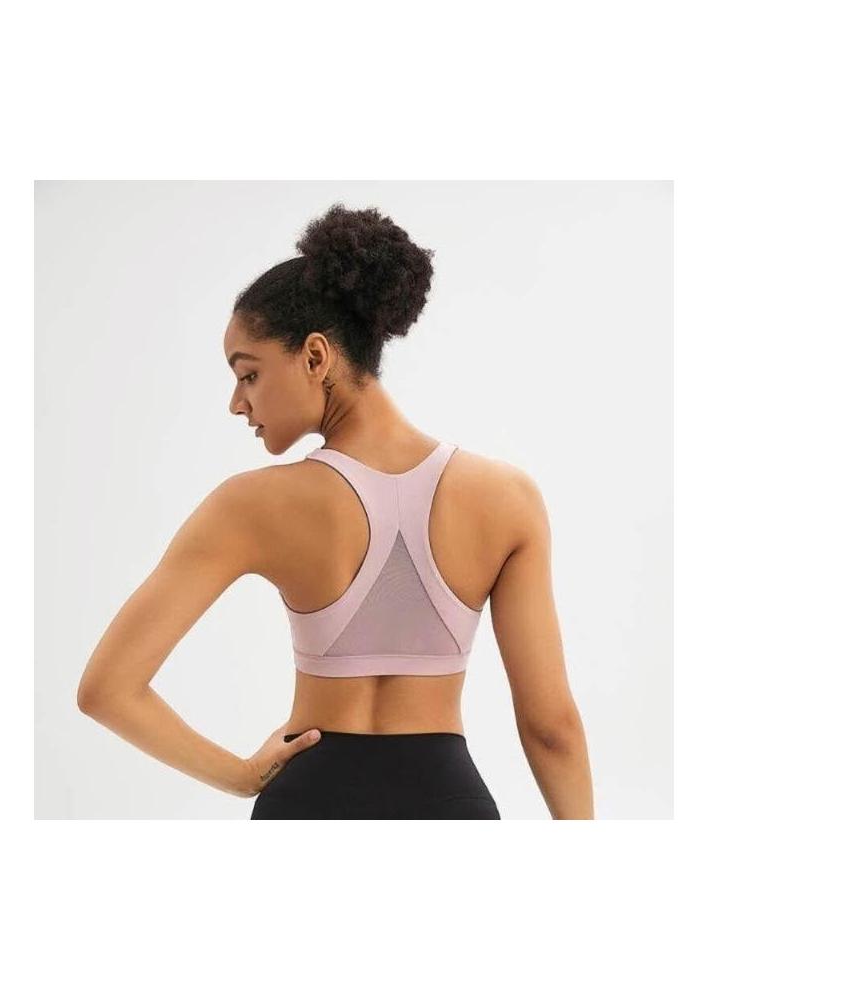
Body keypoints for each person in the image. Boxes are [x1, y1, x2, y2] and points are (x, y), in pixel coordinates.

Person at [77, 203, 594, 820]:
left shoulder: (249, 504)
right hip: (448, 802)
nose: (237, 403)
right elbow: (551, 726)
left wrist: (243, 777)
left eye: (248, 374)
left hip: (309, 798)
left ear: (316, 357)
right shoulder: (507, 498)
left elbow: (107, 689)